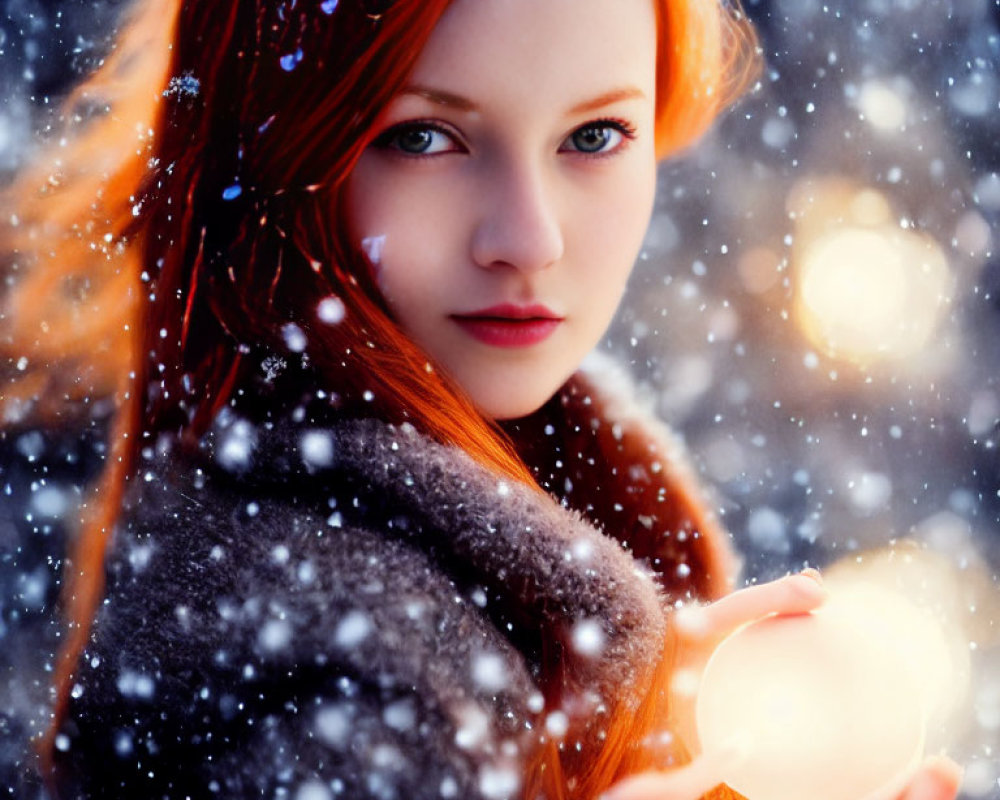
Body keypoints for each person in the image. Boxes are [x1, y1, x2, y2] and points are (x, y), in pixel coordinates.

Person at [0, 0, 964, 797]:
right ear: (282, 154)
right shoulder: (349, 671)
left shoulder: (498, 562)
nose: (530, 237)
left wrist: (611, 719)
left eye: (595, 134)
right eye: (423, 136)